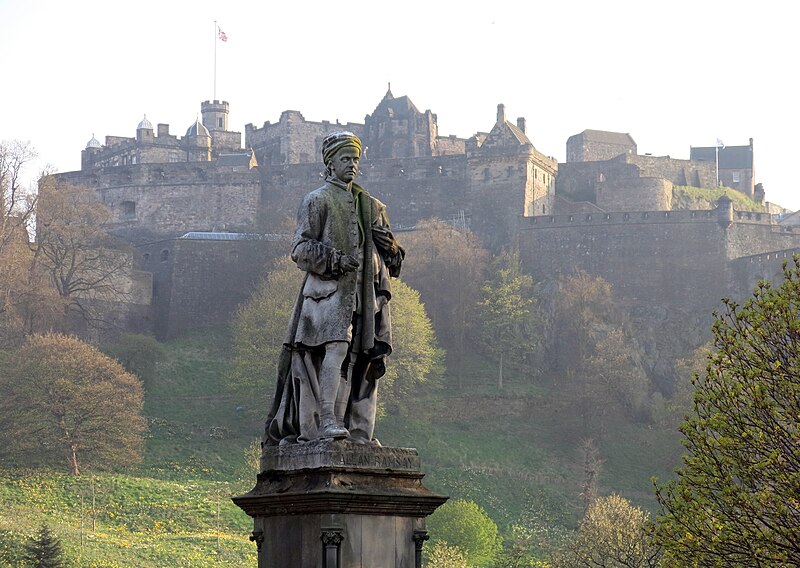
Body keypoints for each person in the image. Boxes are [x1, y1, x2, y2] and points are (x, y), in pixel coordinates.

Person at [264, 131, 404, 445]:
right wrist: (335, 260)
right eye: (345, 159)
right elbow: (300, 248)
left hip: (364, 297)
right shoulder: (317, 199)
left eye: (355, 159)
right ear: (331, 162)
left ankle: (355, 429)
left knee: (360, 358)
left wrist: (392, 249)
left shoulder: (372, 205)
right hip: (326, 296)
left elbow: (389, 255)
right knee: (337, 349)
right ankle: (326, 420)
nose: (352, 165)